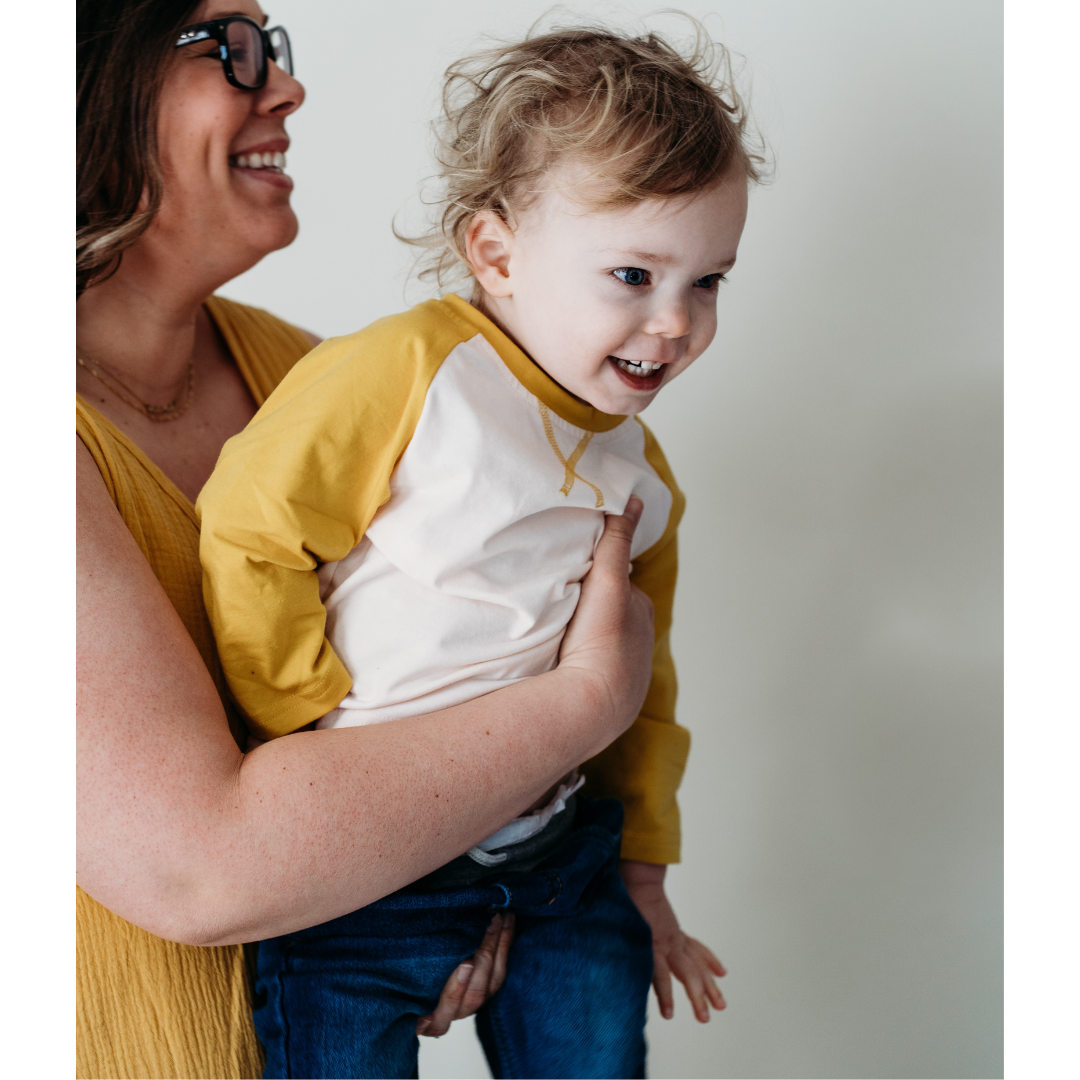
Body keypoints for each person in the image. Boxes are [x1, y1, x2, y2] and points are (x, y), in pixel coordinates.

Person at [75, 3, 656, 1077]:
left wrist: (474, 886)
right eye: (233, 52)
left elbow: (461, 692)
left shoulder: (335, 382)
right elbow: (203, 872)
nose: (286, 91)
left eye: (276, 49)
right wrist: (584, 706)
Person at [197, 23, 755, 1079]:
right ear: (496, 254)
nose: (675, 323)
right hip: (364, 857)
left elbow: (647, 679)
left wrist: (643, 863)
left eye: (711, 281)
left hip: (556, 856)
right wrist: (303, 715)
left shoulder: (641, 474)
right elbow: (250, 528)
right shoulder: (409, 373)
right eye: (634, 273)